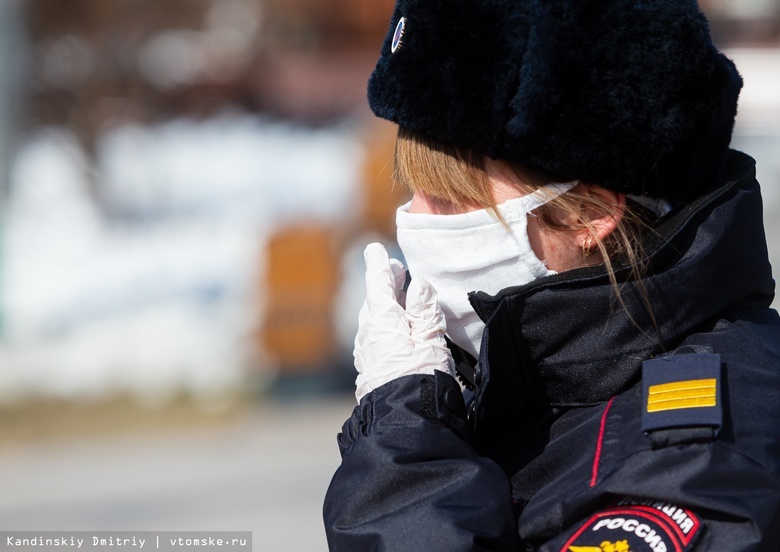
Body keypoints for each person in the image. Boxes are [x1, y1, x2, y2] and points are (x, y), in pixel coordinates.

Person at [323, 0, 780, 550]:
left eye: (447, 198)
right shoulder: (535, 382)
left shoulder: (697, 450)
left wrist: (405, 446)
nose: (414, 223)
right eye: (411, 191)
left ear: (588, 216)